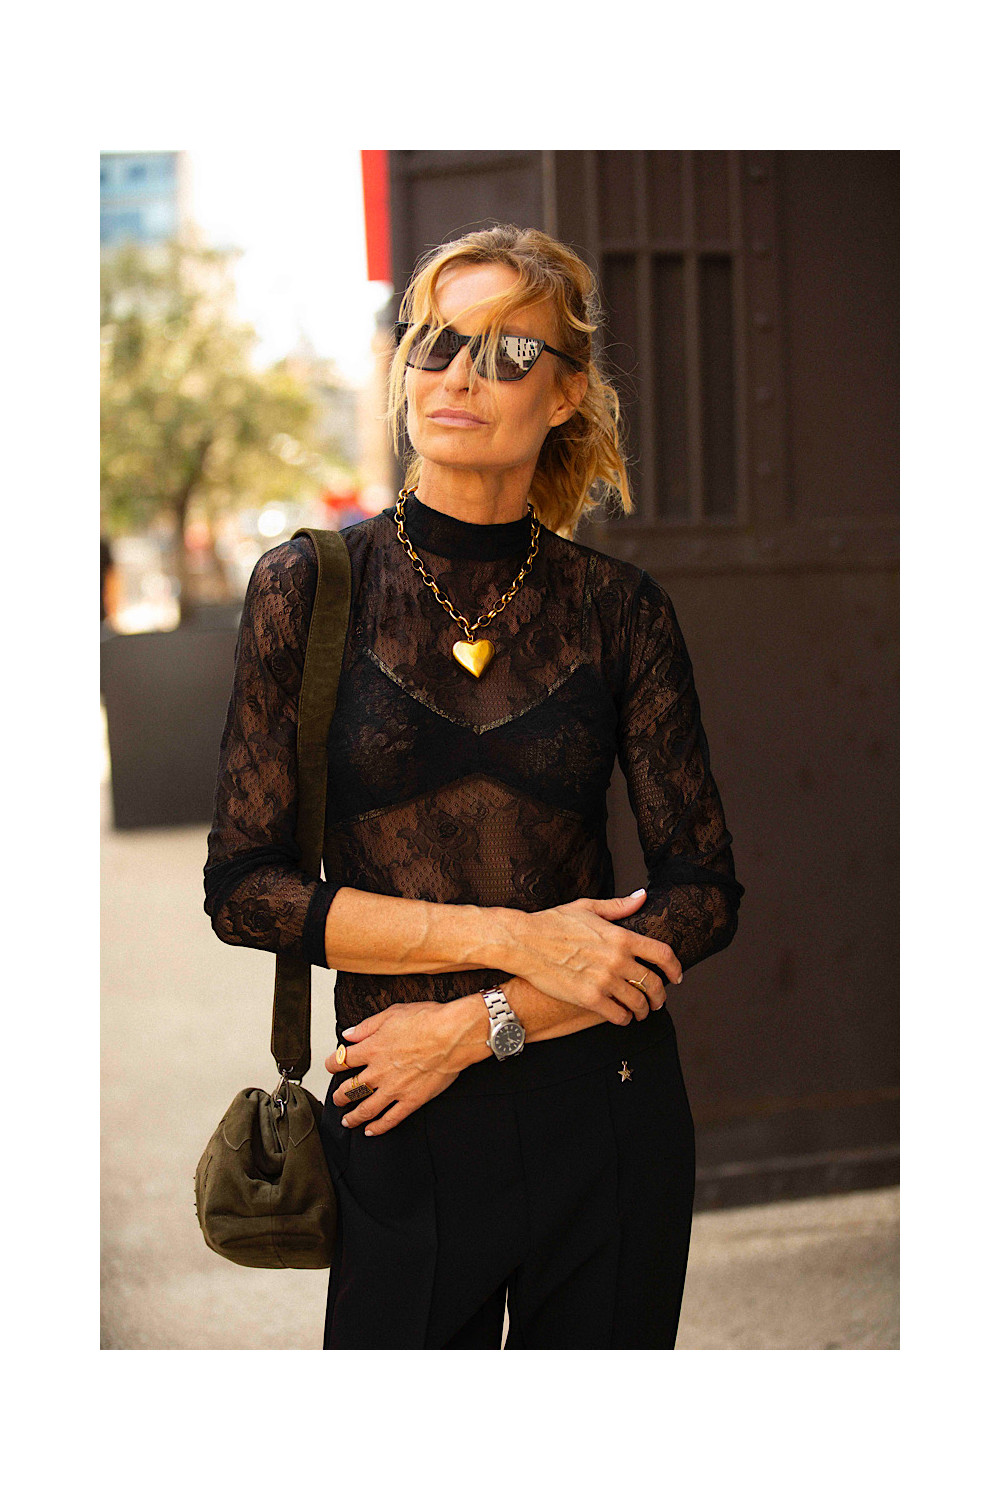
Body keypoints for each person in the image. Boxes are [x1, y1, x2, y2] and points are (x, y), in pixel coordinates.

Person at [203, 224, 745, 1349]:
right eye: (438, 342)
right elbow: (246, 891)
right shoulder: (309, 586)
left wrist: (478, 1024)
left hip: (604, 1101)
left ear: (564, 393)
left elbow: (701, 895)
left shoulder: (619, 609)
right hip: (394, 1107)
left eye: (509, 353)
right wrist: (515, 938)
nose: (459, 375)